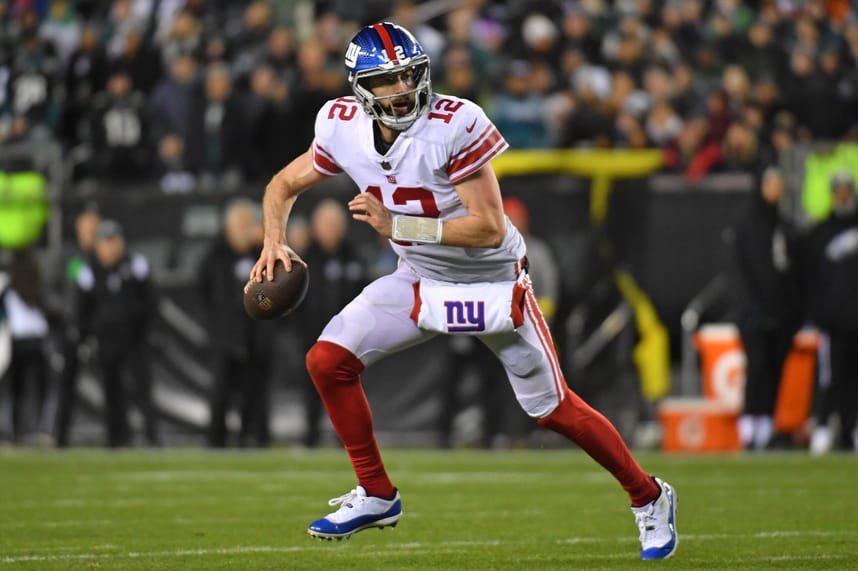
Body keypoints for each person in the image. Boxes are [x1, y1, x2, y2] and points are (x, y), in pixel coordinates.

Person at [250, 22, 678, 559]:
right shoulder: (340, 125)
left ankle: (649, 496)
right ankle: (377, 492)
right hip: (419, 277)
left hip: (490, 279)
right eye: (388, 80)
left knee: (553, 409)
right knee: (327, 360)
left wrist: (398, 225)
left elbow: (489, 228)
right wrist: (273, 241)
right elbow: (282, 185)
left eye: (409, 74)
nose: (403, 88)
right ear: (361, 88)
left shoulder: (454, 122)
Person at [730, 167, 802, 450]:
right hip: (754, 312)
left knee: (774, 369)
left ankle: (767, 425)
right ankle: (750, 425)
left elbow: (791, 271)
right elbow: (739, 270)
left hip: (780, 313)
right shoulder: (747, 224)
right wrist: (749, 307)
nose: (775, 189)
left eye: (778, 184)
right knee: (757, 367)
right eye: (770, 183)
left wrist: (791, 309)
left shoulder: (784, 225)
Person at [75, 220, 159, 447]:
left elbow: (151, 300)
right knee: (111, 389)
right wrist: (84, 337)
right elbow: (83, 308)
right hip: (106, 338)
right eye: (107, 242)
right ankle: (116, 437)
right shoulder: (89, 271)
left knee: (142, 388)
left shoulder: (136, 265)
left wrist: (149, 330)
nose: (112, 247)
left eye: (115, 241)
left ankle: (151, 437)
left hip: (134, 336)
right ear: (98, 245)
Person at [197, 198, 272, 448]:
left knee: (253, 391)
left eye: (247, 223)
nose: (243, 229)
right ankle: (216, 439)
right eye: (239, 224)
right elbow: (204, 292)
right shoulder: (214, 256)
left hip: (255, 335)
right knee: (220, 391)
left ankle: (251, 437)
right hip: (225, 336)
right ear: (228, 227)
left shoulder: (262, 255)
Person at [297, 199, 367, 448]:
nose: (332, 229)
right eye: (326, 224)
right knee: (312, 387)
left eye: (336, 223)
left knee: (347, 387)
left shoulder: (353, 257)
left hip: (347, 337)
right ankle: (310, 437)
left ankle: (347, 439)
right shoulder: (304, 259)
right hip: (313, 334)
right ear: (315, 227)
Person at [803, 171, 858, 454]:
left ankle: (852, 429)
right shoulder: (821, 232)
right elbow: (810, 278)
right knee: (831, 377)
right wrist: (819, 313)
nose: (843, 195)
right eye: (839, 190)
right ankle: (824, 427)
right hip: (834, 322)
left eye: (847, 189)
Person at [54, 204, 101, 447]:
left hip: (99, 327)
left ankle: (115, 435)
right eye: (88, 225)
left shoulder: (102, 255)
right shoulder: (68, 255)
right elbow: (50, 288)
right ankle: (60, 436)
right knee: (67, 383)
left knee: (111, 382)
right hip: (71, 328)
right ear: (78, 227)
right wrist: (66, 314)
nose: (92, 230)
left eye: (95, 225)